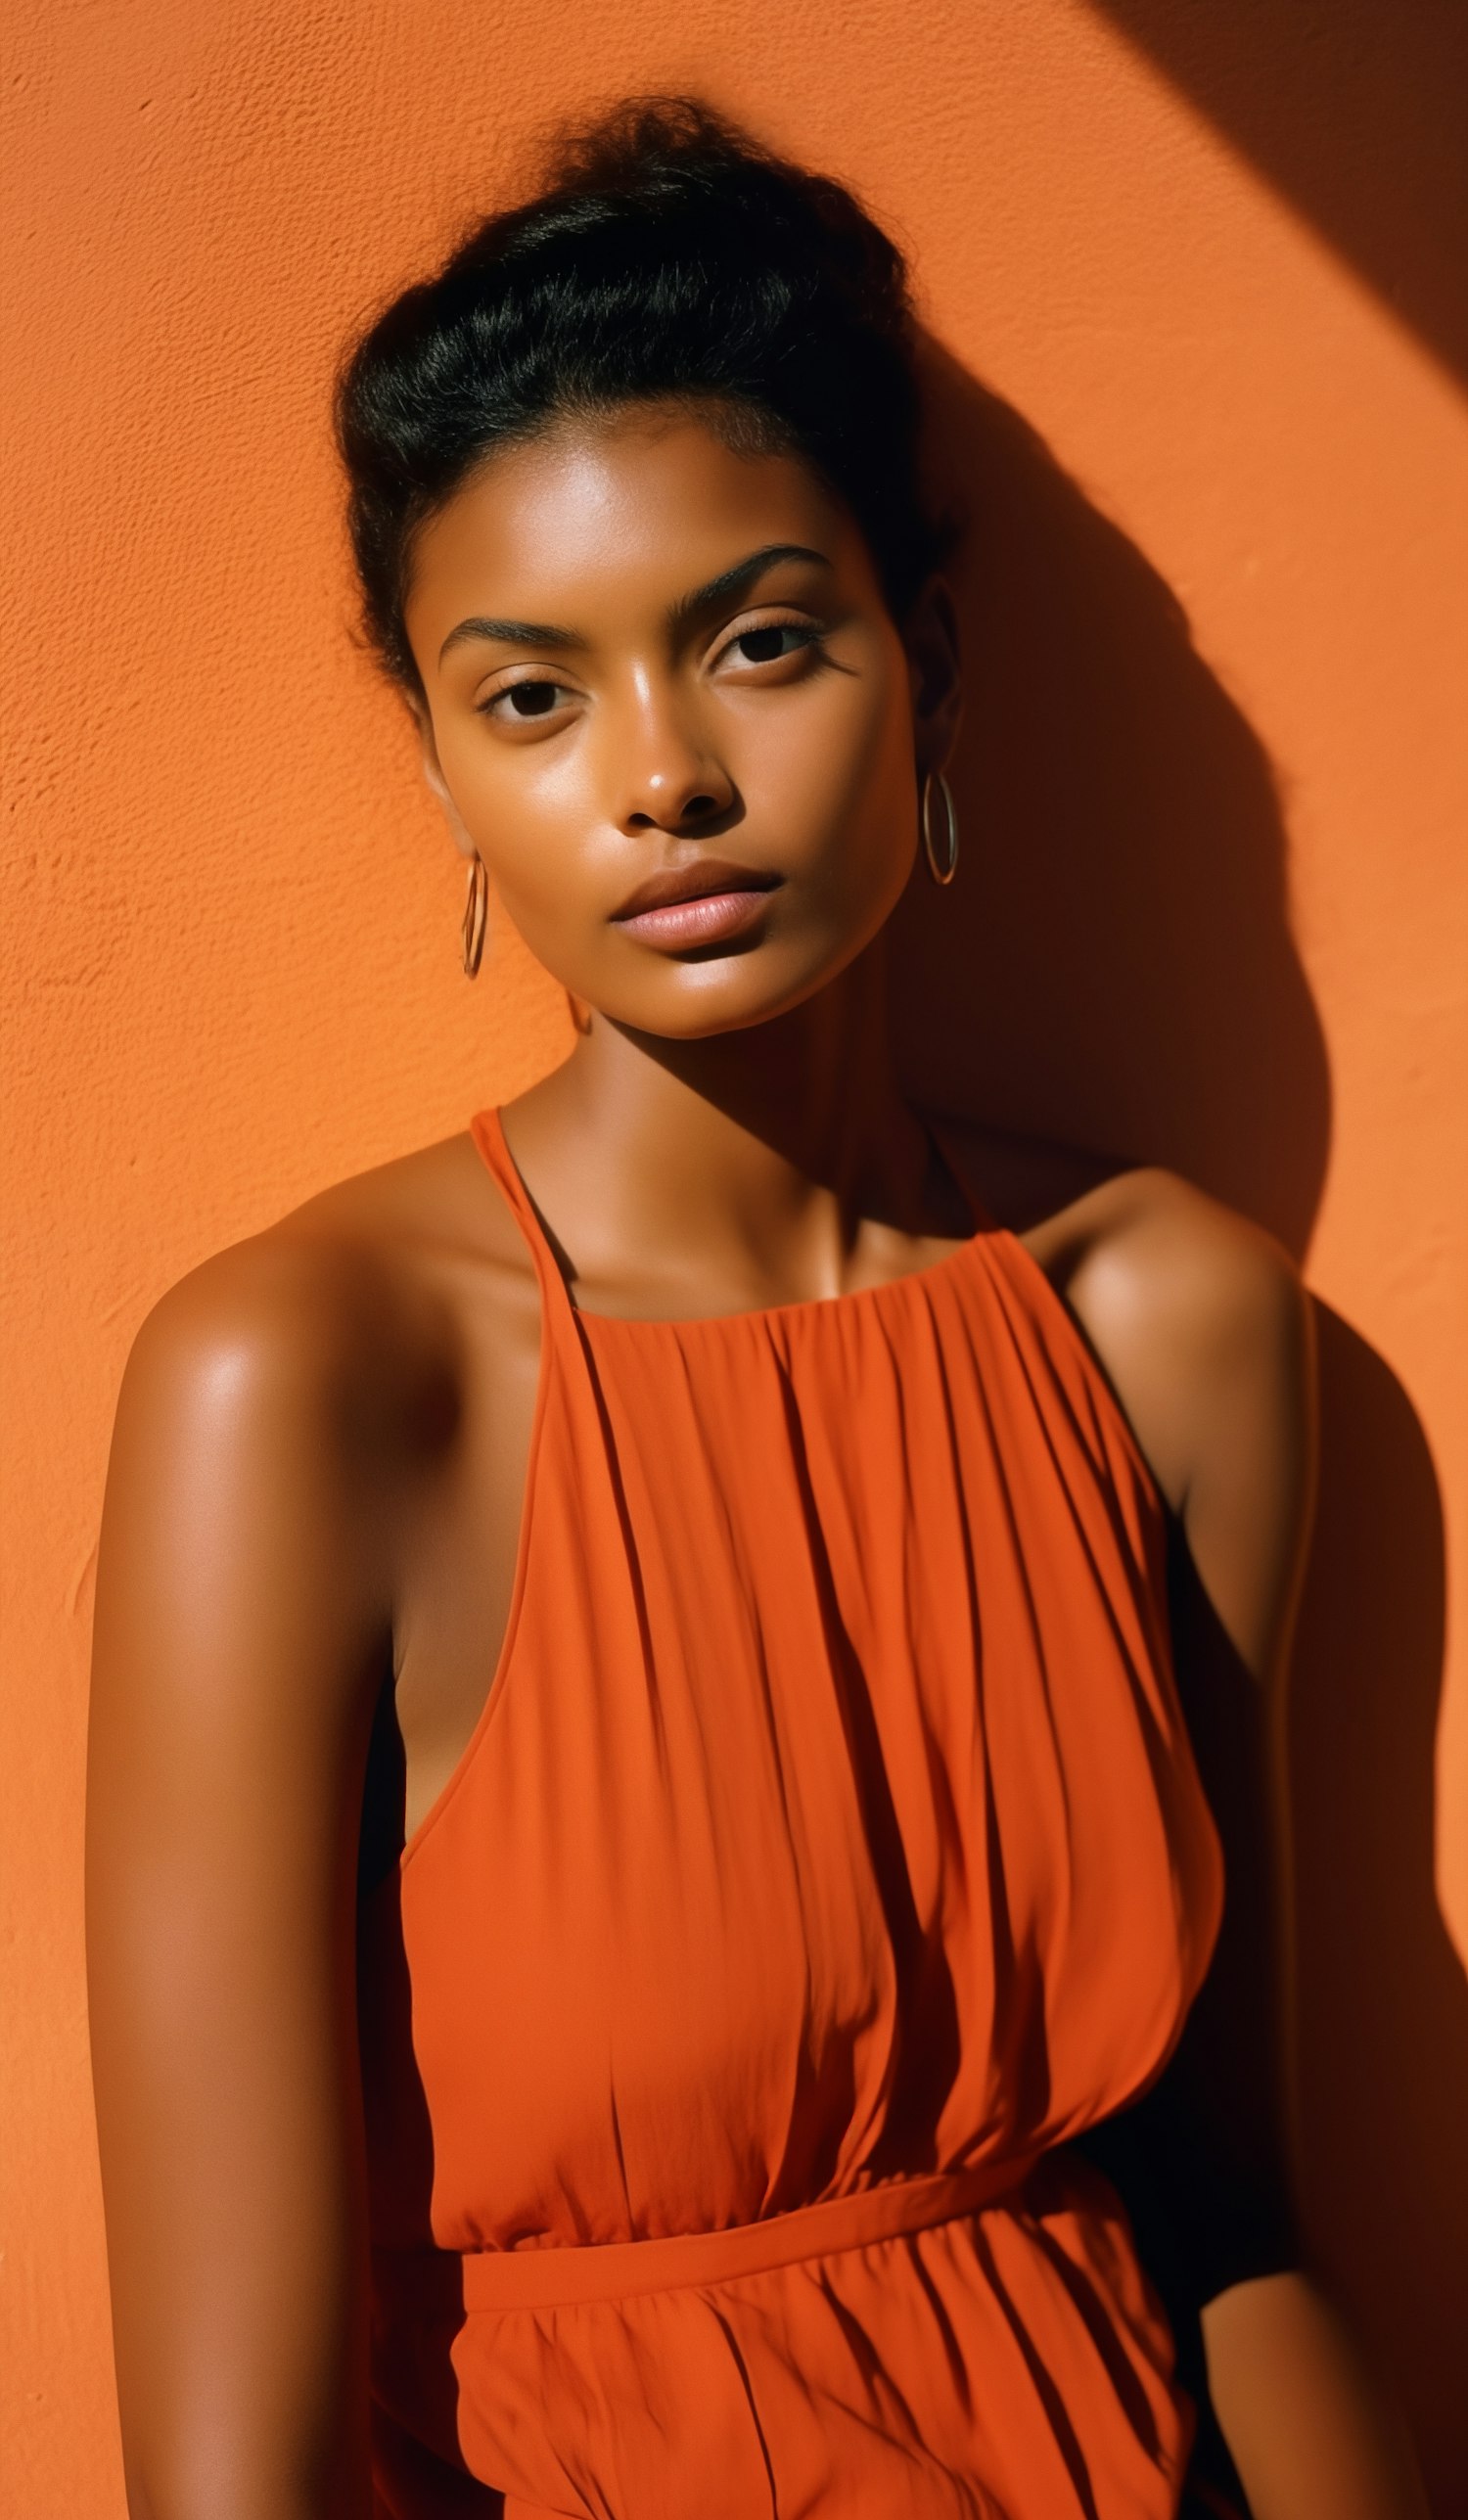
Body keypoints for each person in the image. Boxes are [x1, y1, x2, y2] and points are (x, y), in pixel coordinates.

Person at [85, 97, 1426, 2520]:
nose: (666, 777)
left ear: (923, 666)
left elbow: (1239, 2234)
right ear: (442, 774)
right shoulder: (307, 1380)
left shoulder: (1173, 1322)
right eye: (531, 698)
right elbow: (230, 2468)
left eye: (760, 642)